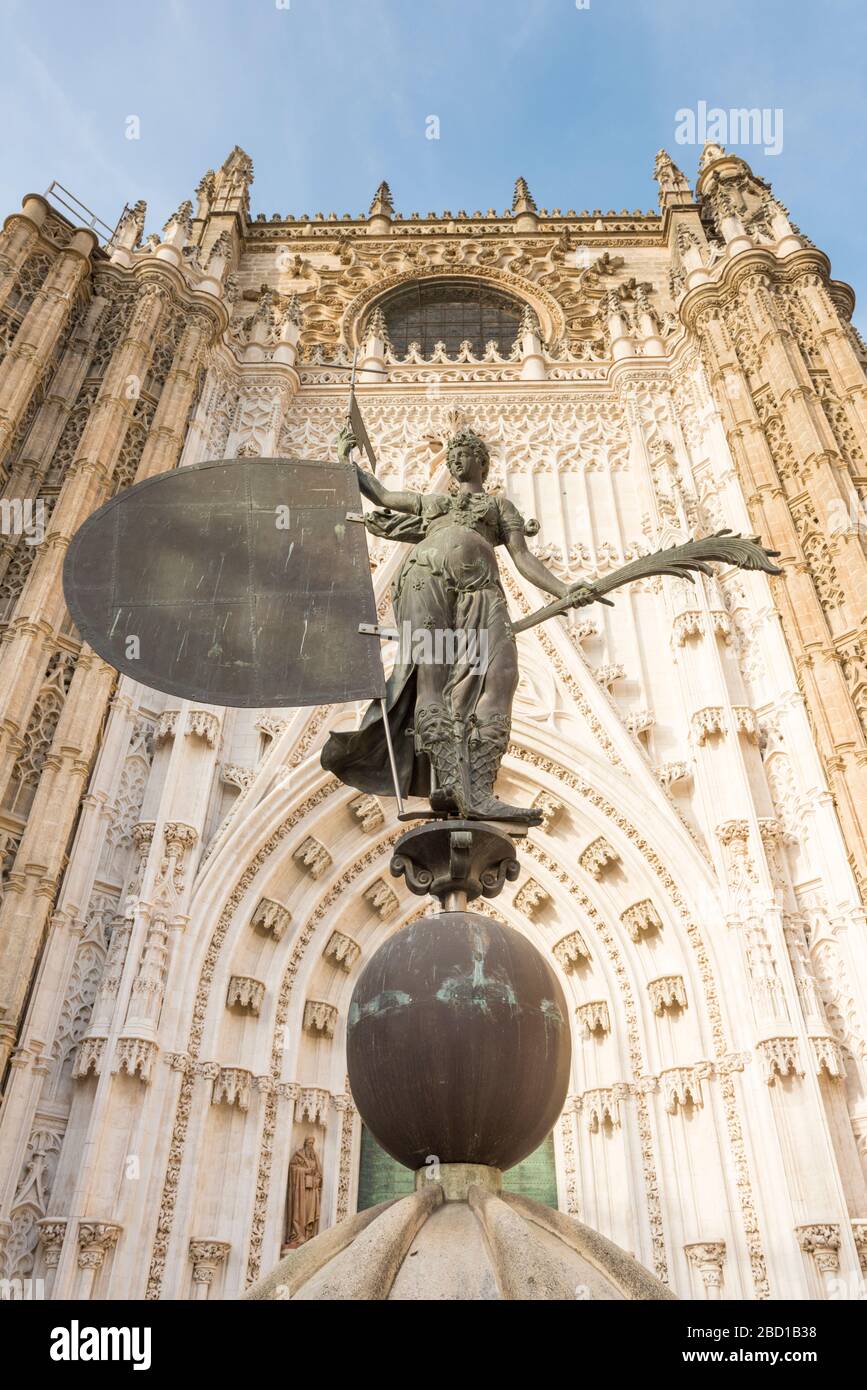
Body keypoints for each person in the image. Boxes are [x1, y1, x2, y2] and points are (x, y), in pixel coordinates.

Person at [321, 423, 598, 822]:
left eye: (463, 454)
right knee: (430, 673)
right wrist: (346, 459)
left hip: (481, 588)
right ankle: (451, 781)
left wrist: (564, 589)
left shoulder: (499, 508)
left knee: (501, 673)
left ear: (481, 463)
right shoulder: (433, 504)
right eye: (451, 457)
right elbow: (380, 494)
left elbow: (523, 559)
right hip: (424, 579)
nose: (454, 461)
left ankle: (479, 786)